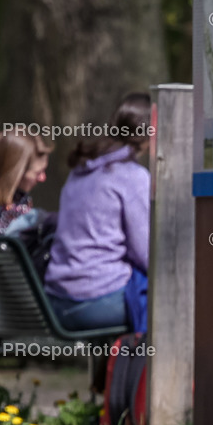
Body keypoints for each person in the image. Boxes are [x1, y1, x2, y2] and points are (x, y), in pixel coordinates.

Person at [45, 93, 152, 333]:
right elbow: (147, 254)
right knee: (172, 295)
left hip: (57, 301)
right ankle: (153, 370)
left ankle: (117, 370)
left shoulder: (81, 170)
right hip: (97, 300)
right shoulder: (132, 176)